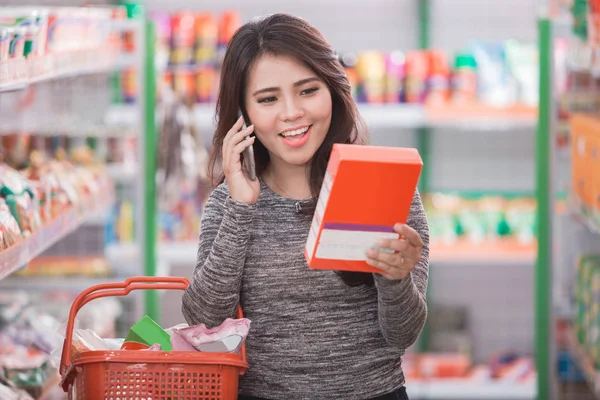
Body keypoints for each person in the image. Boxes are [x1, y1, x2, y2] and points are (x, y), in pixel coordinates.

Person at [182, 13, 429, 400]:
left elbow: (403, 334)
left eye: (307, 90)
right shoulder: (228, 204)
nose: (291, 112)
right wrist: (241, 208)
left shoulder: (384, 188)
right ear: (243, 113)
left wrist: (395, 276)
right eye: (267, 99)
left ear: (332, 90)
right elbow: (203, 318)